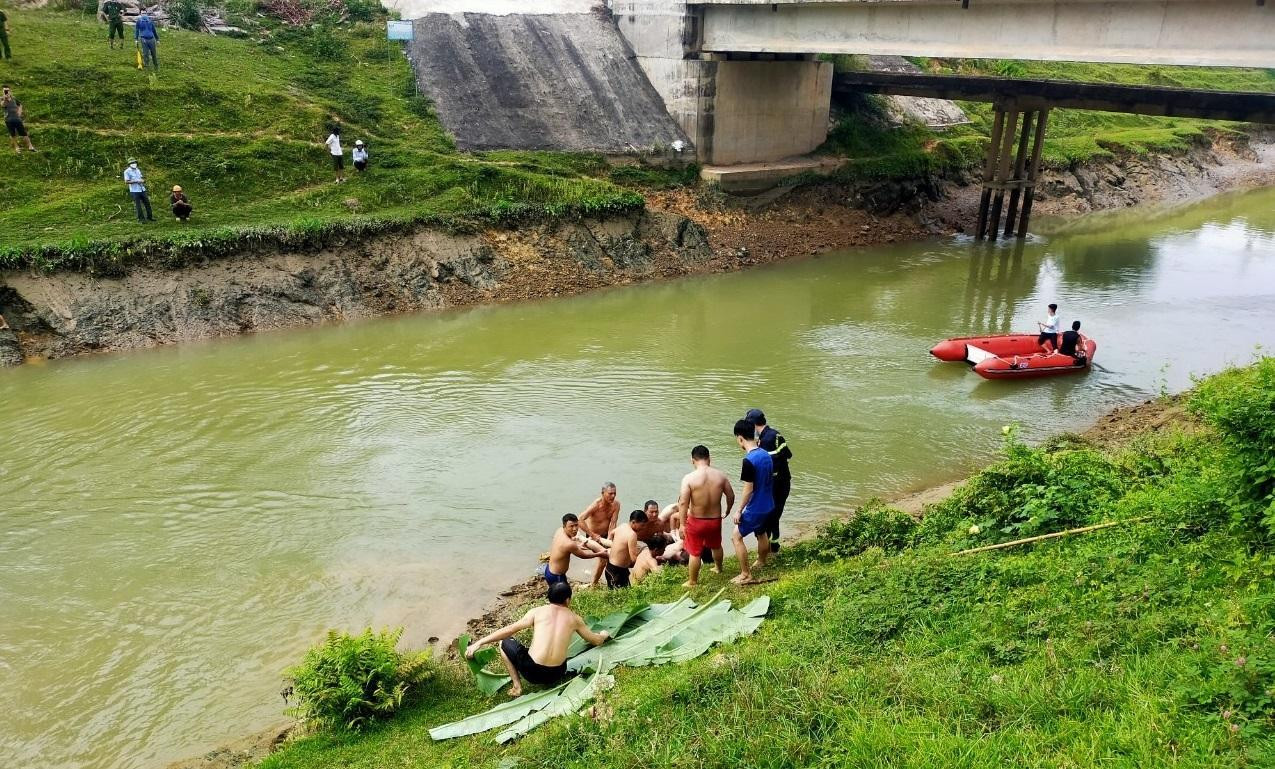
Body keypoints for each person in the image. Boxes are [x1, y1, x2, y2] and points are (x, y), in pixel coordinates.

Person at [465, 582, 610, 697]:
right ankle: (520, 684)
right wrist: (603, 634)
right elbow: (596, 641)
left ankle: (517, 687)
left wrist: (479, 643)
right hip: (557, 673)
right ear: (568, 600)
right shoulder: (575, 619)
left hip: (532, 672)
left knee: (504, 642)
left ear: (549, 598)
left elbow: (509, 630)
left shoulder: (537, 612)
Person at [672, 444, 735, 588]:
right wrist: (728, 510)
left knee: (695, 552)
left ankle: (692, 581)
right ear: (709, 459)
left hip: (696, 521)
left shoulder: (689, 478)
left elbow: (683, 503)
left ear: (692, 460)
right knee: (716, 545)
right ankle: (719, 568)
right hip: (715, 519)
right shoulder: (720, 475)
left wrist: (682, 524)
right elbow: (731, 495)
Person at [730, 419, 774, 585]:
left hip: (756, 507)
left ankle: (745, 574)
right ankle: (762, 561)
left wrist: (739, 509)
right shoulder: (765, 454)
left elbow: (748, 489)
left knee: (736, 536)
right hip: (769, 504)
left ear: (740, 438)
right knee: (761, 532)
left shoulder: (749, 460)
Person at [746, 408, 793, 552]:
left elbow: (765, 466)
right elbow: (788, 455)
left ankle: (768, 549)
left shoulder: (765, 440)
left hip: (776, 485)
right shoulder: (776, 434)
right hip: (784, 482)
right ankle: (774, 545)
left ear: (753, 424)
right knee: (775, 514)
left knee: (769, 517)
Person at [541, 513, 607, 587]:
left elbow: (563, 547)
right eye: (571, 526)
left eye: (576, 525)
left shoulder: (559, 531)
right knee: (565, 597)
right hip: (556, 576)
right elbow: (584, 556)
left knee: (555, 595)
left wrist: (578, 545)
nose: (575, 529)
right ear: (564, 526)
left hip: (548, 570)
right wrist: (600, 553)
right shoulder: (569, 544)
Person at [605, 510, 661, 589]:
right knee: (618, 597)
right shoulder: (632, 535)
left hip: (610, 568)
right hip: (616, 571)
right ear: (634, 522)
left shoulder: (623, 526)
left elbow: (612, 533)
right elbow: (633, 559)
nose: (643, 528)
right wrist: (644, 559)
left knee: (625, 592)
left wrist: (611, 543)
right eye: (642, 525)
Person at [579, 482, 620, 586]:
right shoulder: (596, 505)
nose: (613, 496)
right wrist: (592, 535)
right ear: (603, 493)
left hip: (606, 535)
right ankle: (594, 585)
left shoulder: (616, 505)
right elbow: (580, 519)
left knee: (617, 555)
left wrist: (610, 538)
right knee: (603, 559)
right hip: (594, 536)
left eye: (614, 493)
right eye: (610, 493)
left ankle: (611, 581)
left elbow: (613, 522)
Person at [3, 87, 36, 153]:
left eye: (7, 90)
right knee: (13, 134)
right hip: (9, 119)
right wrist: (5, 99)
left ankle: (30, 146)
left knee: (24, 132)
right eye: (5, 91)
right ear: (2, 92)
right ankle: (16, 147)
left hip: (17, 118)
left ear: (10, 91)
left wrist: (19, 112)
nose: (6, 92)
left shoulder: (14, 98)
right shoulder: (2, 99)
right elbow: (3, 105)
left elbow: (20, 105)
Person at [122, 158, 154, 222]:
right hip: (134, 191)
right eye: (132, 163)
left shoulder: (138, 170)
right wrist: (136, 181)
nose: (134, 164)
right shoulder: (127, 171)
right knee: (138, 205)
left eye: (134, 162)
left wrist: (142, 180)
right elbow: (126, 181)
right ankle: (141, 219)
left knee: (147, 203)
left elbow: (141, 178)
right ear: (129, 164)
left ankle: (150, 217)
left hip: (142, 189)